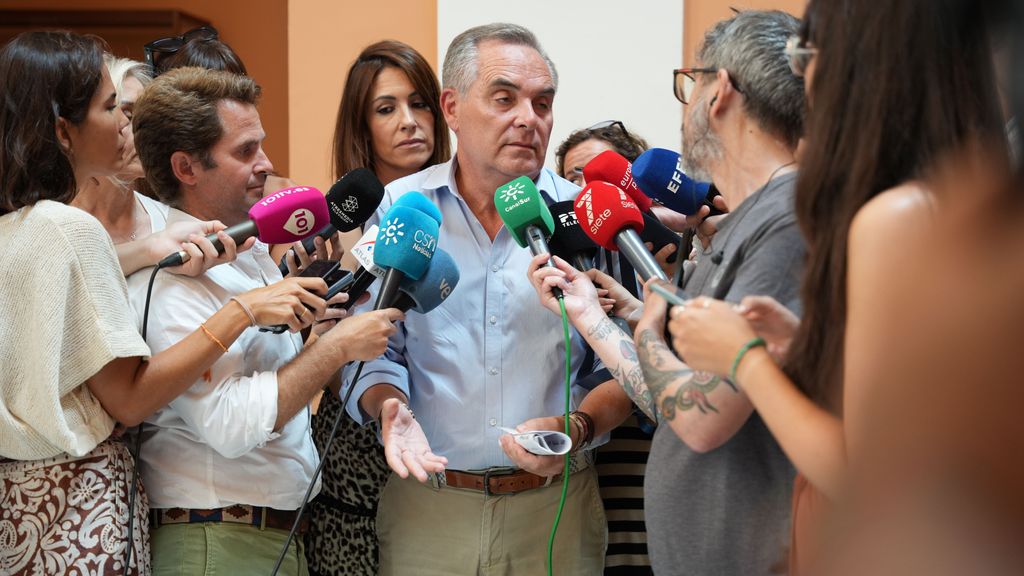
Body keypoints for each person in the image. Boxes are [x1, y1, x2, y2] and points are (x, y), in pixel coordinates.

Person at [663, 1, 1006, 574]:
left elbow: (868, 471)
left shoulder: (892, 217)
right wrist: (801, 346)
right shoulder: (960, 203)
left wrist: (743, 359)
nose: (803, 81)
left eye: (809, 54)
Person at [0, 31, 313, 575]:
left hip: (25, 503)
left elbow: (63, 283)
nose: (125, 121)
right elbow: (130, 398)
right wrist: (243, 311)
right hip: (80, 507)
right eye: (108, 107)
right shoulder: (70, 227)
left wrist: (147, 249)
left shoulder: (21, 226)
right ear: (62, 131)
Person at [342, 23, 615, 575]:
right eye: (504, 98)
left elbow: (620, 366)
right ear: (452, 106)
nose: (528, 119)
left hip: (555, 508)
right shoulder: (401, 209)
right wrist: (387, 407)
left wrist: (577, 426)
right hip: (430, 506)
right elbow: (370, 346)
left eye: (542, 103)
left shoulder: (583, 216)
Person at [127, 67, 415, 576]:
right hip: (215, 541)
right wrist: (336, 348)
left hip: (270, 533)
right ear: (186, 167)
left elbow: (270, 389)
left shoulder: (248, 254)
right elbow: (232, 426)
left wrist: (318, 335)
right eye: (245, 152)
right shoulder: (173, 279)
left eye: (261, 146)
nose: (267, 164)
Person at [305, 39, 450, 576]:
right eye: (386, 109)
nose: (409, 122)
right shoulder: (333, 230)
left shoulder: (470, 208)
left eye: (420, 104)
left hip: (446, 467)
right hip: (353, 467)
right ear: (362, 128)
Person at [72, 54, 233, 277]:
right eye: (127, 115)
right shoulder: (54, 222)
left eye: (146, 121)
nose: (144, 134)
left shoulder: (179, 223)